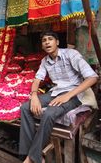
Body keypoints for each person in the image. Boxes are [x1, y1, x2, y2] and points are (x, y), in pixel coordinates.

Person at [19, 31, 98, 163]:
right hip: (56, 92)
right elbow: (37, 80)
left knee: (49, 113)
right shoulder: (45, 61)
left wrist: (68, 95)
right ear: (43, 46)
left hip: (74, 94)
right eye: (44, 40)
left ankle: (31, 159)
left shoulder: (71, 54)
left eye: (50, 39)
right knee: (25, 108)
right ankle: (27, 154)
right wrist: (34, 96)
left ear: (57, 42)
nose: (47, 42)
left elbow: (92, 77)